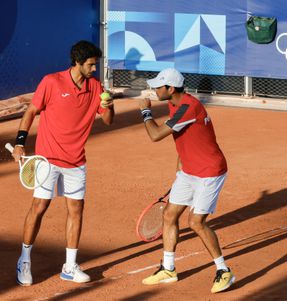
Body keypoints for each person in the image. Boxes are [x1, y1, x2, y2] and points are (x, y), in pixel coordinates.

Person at [11, 40, 114, 286]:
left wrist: (108, 105)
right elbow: (30, 112)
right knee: (39, 207)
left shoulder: (96, 86)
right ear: (78, 62)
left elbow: (108, 121)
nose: (94, 69)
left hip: (76, 161)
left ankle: (69, 265)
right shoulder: (51, 82)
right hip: (47, 159)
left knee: (76, 210)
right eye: (90, 65)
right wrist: (20, 142)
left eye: (95, 65)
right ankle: (24, 259)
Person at [138, 68, 235, 293]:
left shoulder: (188, 107)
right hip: (189, 171)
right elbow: (184, 142)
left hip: (210, 172)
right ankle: (168, 268)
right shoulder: (175, 104)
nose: (154, 90)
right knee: (169, 215)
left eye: (158, 87)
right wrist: (179, 175)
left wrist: (145, 113)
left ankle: (224, 270)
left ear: (170, 89)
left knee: (196, 222)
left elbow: (155, 135)